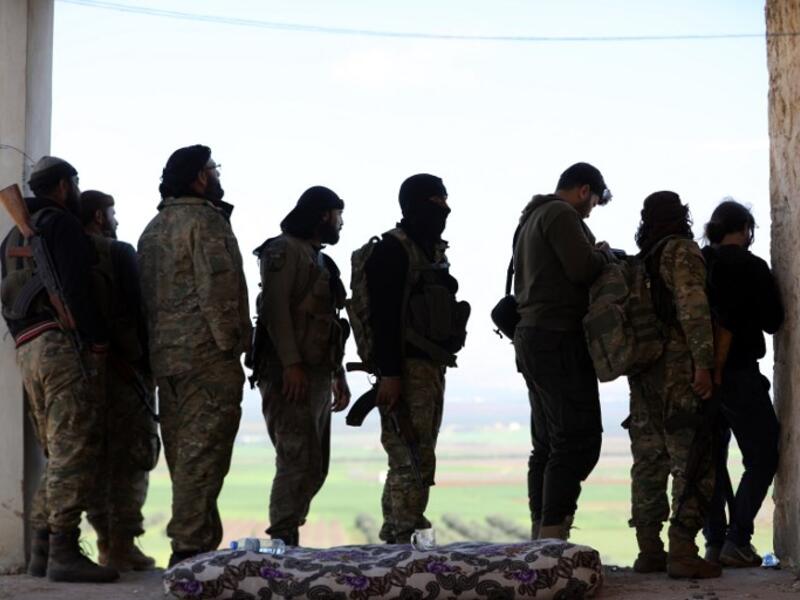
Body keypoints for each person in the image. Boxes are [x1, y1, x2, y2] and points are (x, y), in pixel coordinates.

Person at [0, 157, 118, 582]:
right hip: (60, 346)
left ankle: (42, 550)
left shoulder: (14, 232)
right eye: (76, 184)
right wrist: (97, 340)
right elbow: (76, 288)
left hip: (28, 346)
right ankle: (64, 550)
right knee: (72, 450)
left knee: (57, 450)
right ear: (65, 186)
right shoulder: (62, 224)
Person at [138, 145, 252, 567]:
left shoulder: (153, 229)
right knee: (203, 459)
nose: (217, 175)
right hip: (206, 359)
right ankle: (188, 553)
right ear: (200, 177)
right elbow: (218, 291)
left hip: (166, 361)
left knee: (185, 458)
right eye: (213, 169)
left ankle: (199, 547)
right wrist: (235, 346)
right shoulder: (206, 222)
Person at [362, 173, 470, 544]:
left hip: (429, 367)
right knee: (408, 457)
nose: (445, 209)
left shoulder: (429, 251)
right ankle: (400, 537)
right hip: (405, 370)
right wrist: (390, 374)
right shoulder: (393, 250)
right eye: (437, 201)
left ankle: (401, 534)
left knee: (419, 456)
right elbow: (384, 318)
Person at [512, 162, 613, 540]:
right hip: (557, 337)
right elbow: (582, 268)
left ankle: (541, 536)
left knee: (548, 443)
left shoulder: (532, 216)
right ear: (584, 190)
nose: (590, 211)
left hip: (534, 336)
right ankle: (553, 537)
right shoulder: (560, 213)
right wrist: (604, 254)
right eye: (594, 203)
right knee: (577, 440)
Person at [250, 186, 351, 547]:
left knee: (314, 465)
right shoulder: (283, 250)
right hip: (288, 373)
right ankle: (282, 540)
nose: (341, 223)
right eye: (338, 215)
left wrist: (337, 373)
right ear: (323, 214)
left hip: (317, 373)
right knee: (295, 458)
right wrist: (291, 364)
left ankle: (288, 532)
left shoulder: (320, 260)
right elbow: (275, 309)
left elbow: (328, 323)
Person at [627, 191, 720, 579]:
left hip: (642, 371)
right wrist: (704, 365)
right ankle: (682, 550)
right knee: (694, 457)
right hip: (678, 370)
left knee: (649, 461)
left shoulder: (639, 262)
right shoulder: (680, 251)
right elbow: (693, 309)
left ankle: (649, 551)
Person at [701, 199, 783, 567]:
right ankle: (737, 540)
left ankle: (715, 543)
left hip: (700, 376)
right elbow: (773, 320)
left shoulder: (700, 263)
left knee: (712, 461)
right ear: (746, 230)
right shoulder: (752, 267)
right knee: (763, 456)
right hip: (740, 374)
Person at [79, 190, 158, 571]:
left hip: (84, 373)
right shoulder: (118, 252)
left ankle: (105, 541)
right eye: (112, 213)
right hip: (127, 370)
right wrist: (146, 364)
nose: (116, 220)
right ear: (98, 216)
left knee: (96, 457)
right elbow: (140, 311)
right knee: (133, 456)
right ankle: (122, 544)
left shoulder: (68, 253)